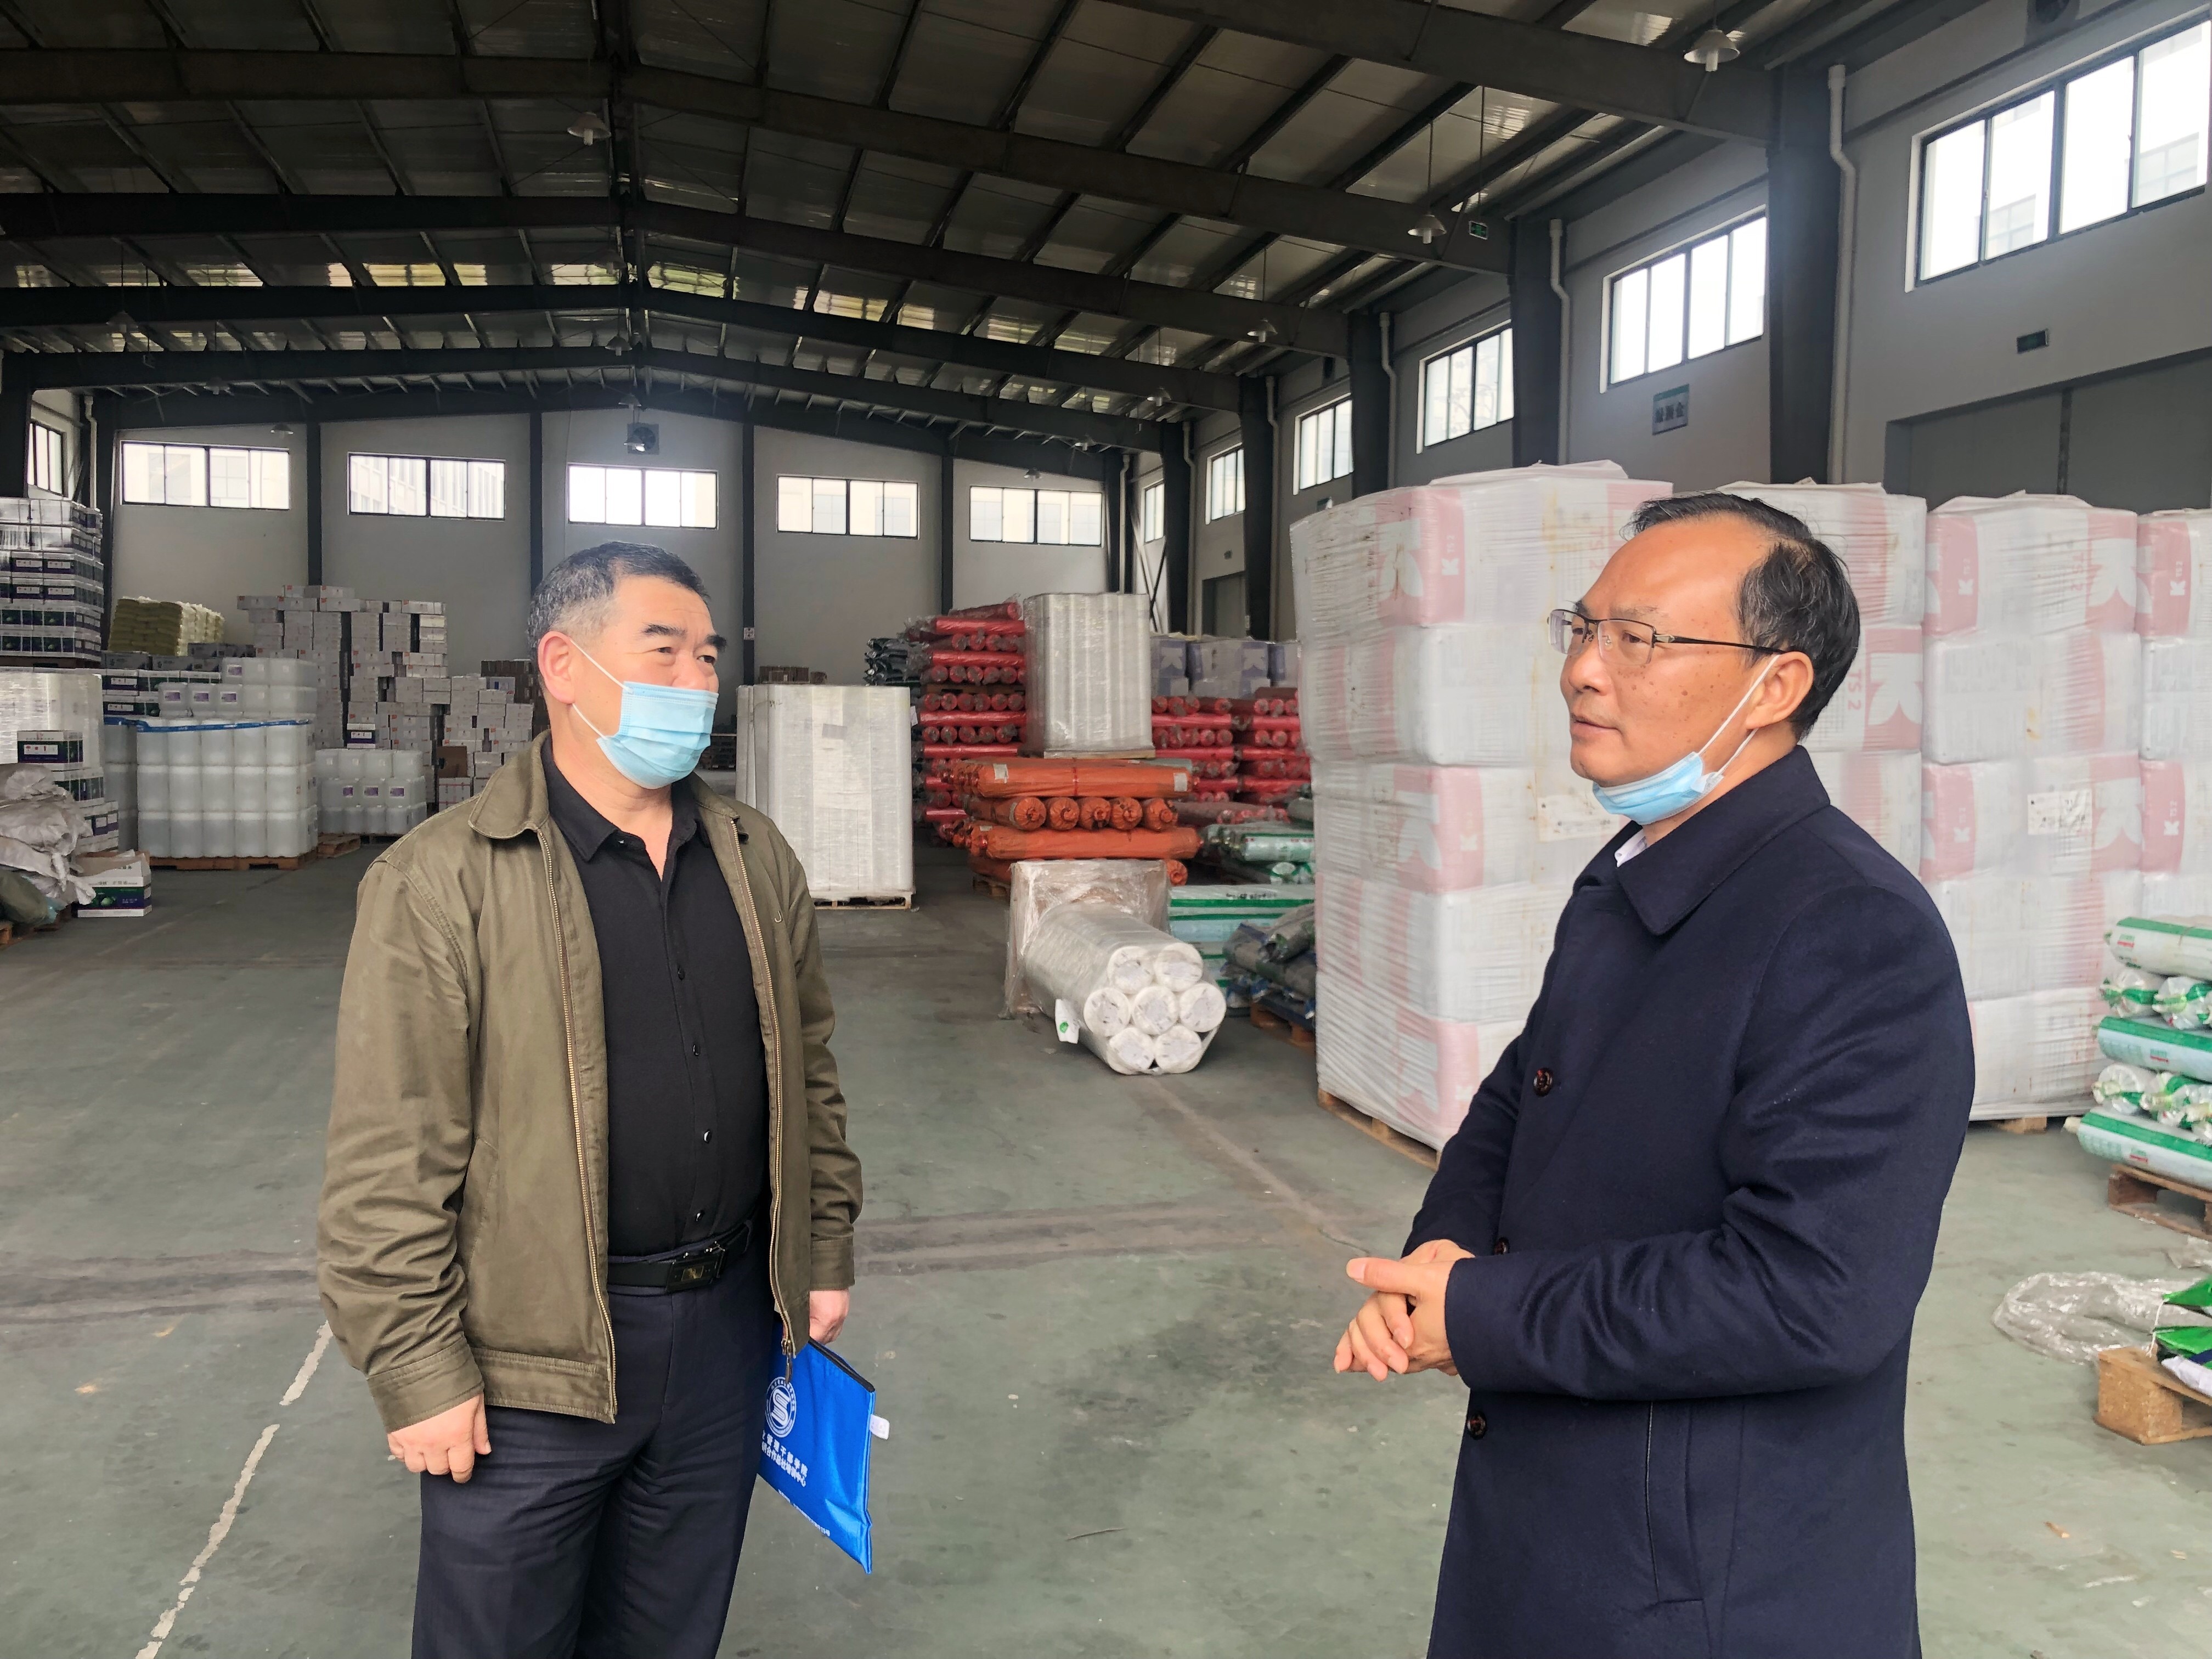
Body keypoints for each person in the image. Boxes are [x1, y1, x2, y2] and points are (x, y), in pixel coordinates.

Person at [1333, 494, 1972, 1659]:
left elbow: (1814, 1294)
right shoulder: (1637, 874)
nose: (1584, 670)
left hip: (1707, 1578)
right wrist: (1443, 1256)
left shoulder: (1851, 930)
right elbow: (1527, 1090)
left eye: (1640, 640)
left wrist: (1483, 1315)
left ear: (1774, 686)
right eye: (1584, 628)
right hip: (1564, 1503)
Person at [318, 541, 862, 1659]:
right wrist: (417, 1368)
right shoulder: (441, 881)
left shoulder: (754, 857)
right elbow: (389, 1157)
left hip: (724, 1332)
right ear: (564, 666)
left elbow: (808, 1068)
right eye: (664, 651)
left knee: (669, 1633)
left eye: (707, 657)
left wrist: (821, 1249)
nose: (696, 680)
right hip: (534, 1360)